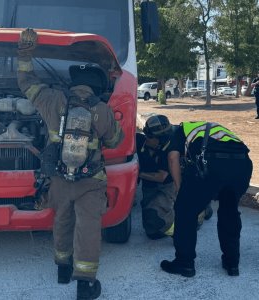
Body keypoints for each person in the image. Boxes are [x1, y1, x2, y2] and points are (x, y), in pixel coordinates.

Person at [17, 28, 124, 300]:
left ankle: (62, 270)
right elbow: (113, 142)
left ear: (72, 81)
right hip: (91, 181)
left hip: (60, 178)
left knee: (62, 221)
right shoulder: (102, 110)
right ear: (96, 86)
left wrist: (25, 54)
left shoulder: (52, 99)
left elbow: (26, 82)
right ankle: (85, 284)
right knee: (87, 228)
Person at [159, 116, 252, 277]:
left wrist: (180, 189)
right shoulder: (212, 129)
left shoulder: (180, 130)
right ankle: (232, 263)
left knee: (185, 211)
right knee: (229, 211)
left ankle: (184, 263)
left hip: (213, 164)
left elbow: (173, 158)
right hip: (242, 166)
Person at [136, 116, 212, 240]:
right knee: (152, 232)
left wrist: (137, 174)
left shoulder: (169, 148)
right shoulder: (139, 141)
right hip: (150, 187)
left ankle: (199, 213)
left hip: (167, 186)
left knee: (156, 218)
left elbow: (161, 177)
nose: (167, 138)